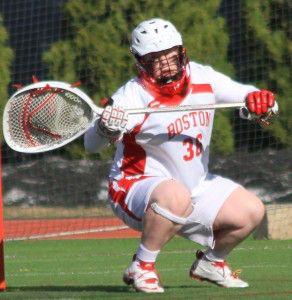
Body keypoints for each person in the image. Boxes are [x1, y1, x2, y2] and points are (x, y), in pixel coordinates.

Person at [84, 18, 278, 293]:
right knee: (176, 196)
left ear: (181, 52)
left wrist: (262, 101)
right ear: (141, 62)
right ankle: (142, 265)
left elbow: (251, 96)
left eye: (170, 55)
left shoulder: (204, 78)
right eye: (155, 58)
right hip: (135, 187)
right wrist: (104, 128)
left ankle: (212, 262)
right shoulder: (131, 95)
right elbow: (91, 145)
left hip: (193, 188)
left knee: (252, 211)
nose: (166, 63)